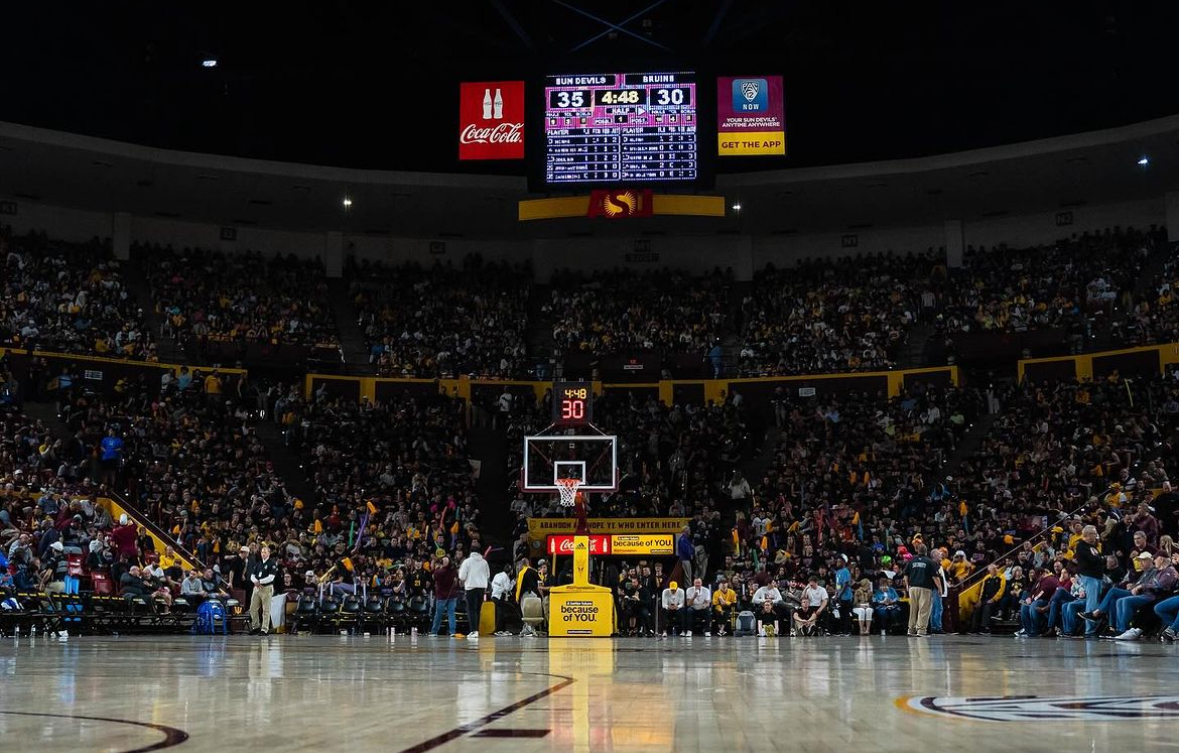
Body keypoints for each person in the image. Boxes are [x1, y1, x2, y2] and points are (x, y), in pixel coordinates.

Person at [1112, 553, 1178, 641]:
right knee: (1156, 607)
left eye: (1155, 559)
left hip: (1156, 595)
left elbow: (1161, 585)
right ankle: (1124, 629)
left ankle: (1135, 629)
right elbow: (1149, 584)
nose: (1154, 561)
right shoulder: (1157, 572)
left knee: (1140, 604)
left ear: (1161, 559)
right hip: (1155, 595)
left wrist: (1143, 586)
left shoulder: (1168, 570)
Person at [1073, 525, 1106, 638]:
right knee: (1092, 602)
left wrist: (1101, 560)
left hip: (1097, 576)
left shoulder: (1093, 546)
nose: (1096, 535)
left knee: (1095, 600)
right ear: (1087, 535)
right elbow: (1094, 559)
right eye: (1094, 533)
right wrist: (1100, 560)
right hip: (1090, 576)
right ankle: (1090, 629)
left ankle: (1093, 627)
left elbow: (1100, 559)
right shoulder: (1081, 546)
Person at [903, 543, 941, 638]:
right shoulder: (930, 562)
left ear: (917, 551)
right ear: (926, 551)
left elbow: (906, 575)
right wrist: (940, 588)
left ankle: (911, 630)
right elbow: (935, 577)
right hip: (925, 588)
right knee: (923, 610)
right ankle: (921, 631)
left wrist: (907, 585)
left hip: (913, 588)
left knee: (913, 609)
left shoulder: (911, 561)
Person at [458, 548, 490, 639]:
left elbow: (462, 576)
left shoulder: (467, 562)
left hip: (470, 588)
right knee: (478, 610)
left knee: (471, 610)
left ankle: (473, 631)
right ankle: (477, 630)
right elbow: (488, 575)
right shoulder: (484, 562)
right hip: (482, 589)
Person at [248, 544, 277, 636]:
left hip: (266, 588)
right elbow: (252, 575)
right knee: (253, 608)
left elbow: (271, 577)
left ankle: (264, 629)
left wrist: (260, 581)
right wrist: (255, 581)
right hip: (256, 588)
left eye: (265, 552)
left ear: (269, 553)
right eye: (262, 552)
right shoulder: (258, 563)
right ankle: (255, 626)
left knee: (266, 609)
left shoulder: (272, 563)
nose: (263, 554)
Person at [969, 564, 1007, 635]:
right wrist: (980, 600)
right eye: (993, 569)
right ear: (989, 571)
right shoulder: (986, 578)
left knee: (987, 607)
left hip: (996, 599)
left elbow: (1001, 590)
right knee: (977, 608)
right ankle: (974, 628)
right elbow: (982, 590)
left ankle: (985, 627)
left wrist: (994, 599)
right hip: (985, 598)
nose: (995, 570)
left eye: (996, 568)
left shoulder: (1001, 577)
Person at [430, 556, 460, 637]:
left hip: (441, 596)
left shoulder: (440, 571)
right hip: (451, 595)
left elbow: (434, 576)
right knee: (451, 614)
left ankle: (434, 631)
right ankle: (452, 631)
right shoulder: (453, 571)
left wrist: (436, 568)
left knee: (439, 614)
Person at [491, 562, 516, 636]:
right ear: (510, 571)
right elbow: (508, 588)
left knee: (500, 612)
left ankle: (502, 628)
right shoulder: (506, 577)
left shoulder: (497, 575)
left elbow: (493, 584)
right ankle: (499, 630)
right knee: (501, 613)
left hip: (494, 595)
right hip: (499, 597)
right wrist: (513, 582)